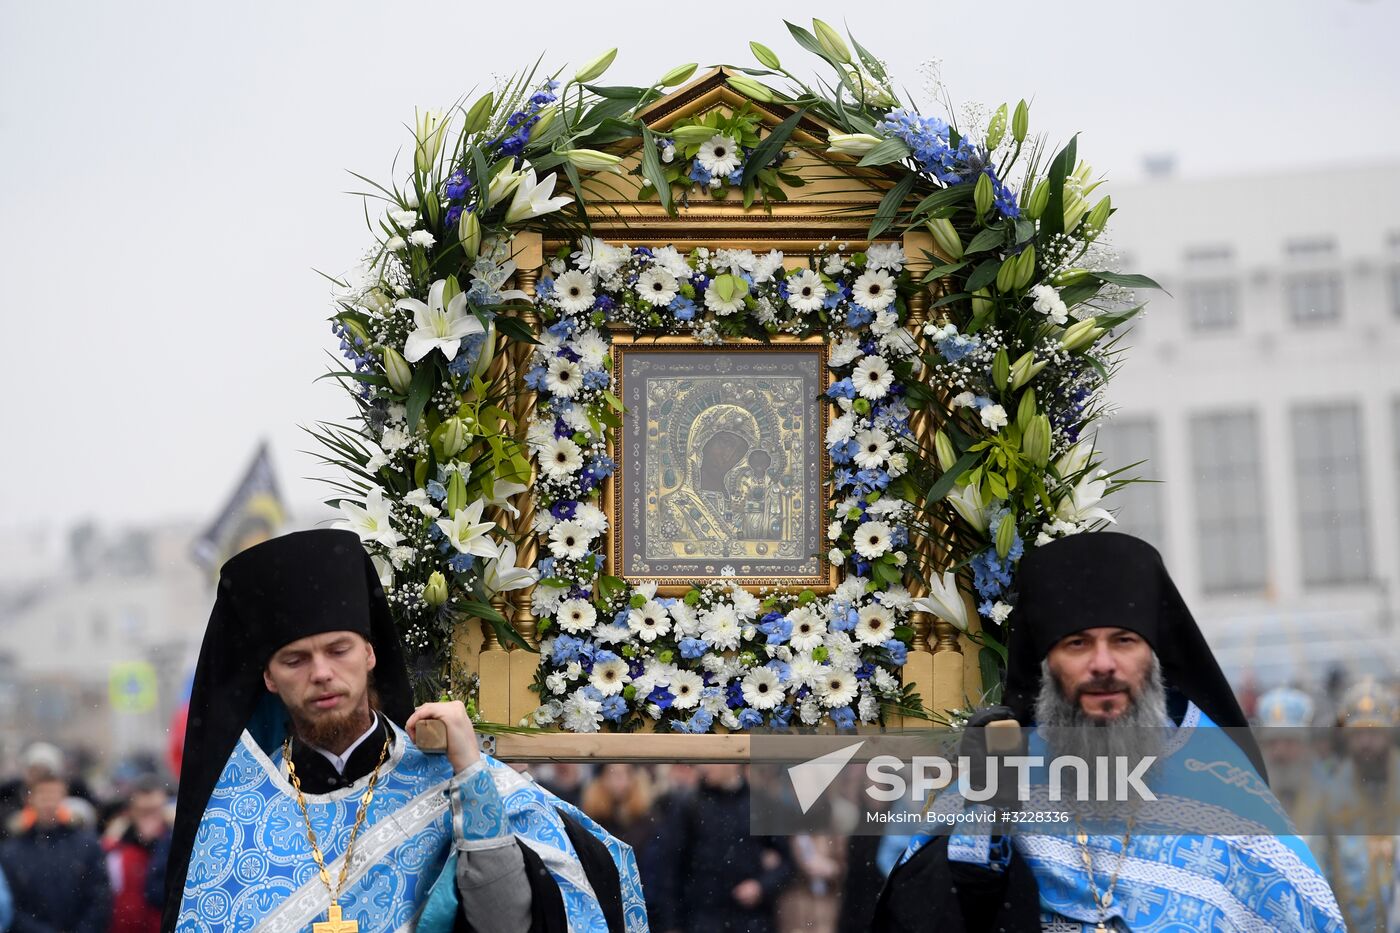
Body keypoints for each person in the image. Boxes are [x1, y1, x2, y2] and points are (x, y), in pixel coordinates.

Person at [163, 528, 646, 933]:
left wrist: (472, 775)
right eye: (295, 659)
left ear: (370, 654)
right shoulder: (232, 818)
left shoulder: (449, 777)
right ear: (268, 678)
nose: (322, 672)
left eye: (339, 650)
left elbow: (507, 923)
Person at [873, 532, 1346, 932]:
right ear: (1046, 662)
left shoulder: (1222, 785)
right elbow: (929, 916)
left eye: (1124, 640)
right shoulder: (1004, 770)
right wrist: (985, 817)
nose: (1103, 664)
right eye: (1077, 643)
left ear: (1153, 656)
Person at [649, 764, 792, 933]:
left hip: (751, 920)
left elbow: (787, 863)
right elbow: (669, 868)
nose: (703, 767)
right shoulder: (688, 805)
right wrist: (671, 924)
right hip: (701, 919)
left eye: (712, 760)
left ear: (733, 763)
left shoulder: (761, 804)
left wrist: (761, 886)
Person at [1319, 678, 1399, 932]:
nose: (1366, 742)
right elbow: (1322, 868)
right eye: (1358, 734)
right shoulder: (1329, 795)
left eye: (1374, 732)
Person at [0, 774, 111, 933]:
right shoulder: (11, 851)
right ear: (30, 799)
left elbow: (99, 898)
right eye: (43, 796)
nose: (49, 803)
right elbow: (11, 907)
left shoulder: (87, 845)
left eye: (54, 795)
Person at [103, 775, 170, 933]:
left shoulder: (174, 845)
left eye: (154, 811)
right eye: (143, 812)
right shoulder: (114, 848)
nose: (149, 818)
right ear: (132, 811)